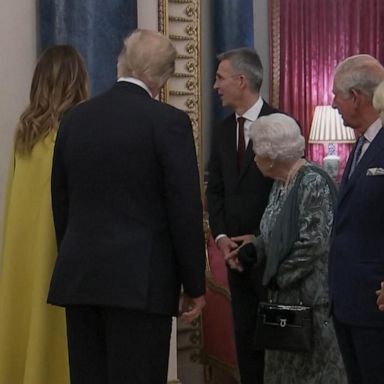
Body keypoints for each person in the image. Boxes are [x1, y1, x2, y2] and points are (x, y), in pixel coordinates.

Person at [47, 29, 206, 384]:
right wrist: (194, 284)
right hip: (142, 284)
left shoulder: (75, 119)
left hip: (82, 277)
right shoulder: (169, 123)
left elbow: (60, 200)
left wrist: (74, 254)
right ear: (163, 79)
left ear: (121, 62)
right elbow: (184, 208)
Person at [227, 113, 346, 384]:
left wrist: (273, 275)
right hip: (285, 307)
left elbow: (312, 244)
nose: (254, 158)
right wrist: (254, 248)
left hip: (312, 308)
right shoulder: (283, 182)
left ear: (270, 157)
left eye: (256, 151)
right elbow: (274, 232)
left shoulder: (312, 181)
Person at [0, 45, 89, 384]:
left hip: (21, 254)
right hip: (58, 251)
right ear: (77, 82)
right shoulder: (74, 133)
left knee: (24, 321)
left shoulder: (26, 134)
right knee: (54, 332)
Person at [206, 47, 279, 383]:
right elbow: (215, 190)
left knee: (277, 353)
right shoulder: (221, 132)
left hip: (274, 264)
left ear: (241, 79)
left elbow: (288, 195)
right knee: (246, 348)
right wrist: (221, 240)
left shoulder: (281, 125)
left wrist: (261, 242)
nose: (215, 86)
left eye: (220, 78)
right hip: (235, 260)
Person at [328, 54, 384, 384]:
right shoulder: (361, 144)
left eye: (336, 94)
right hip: (348, 301)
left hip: (375, 305)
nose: (333, 103)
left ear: (356, 97)